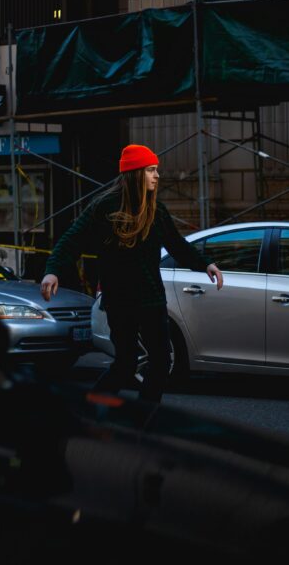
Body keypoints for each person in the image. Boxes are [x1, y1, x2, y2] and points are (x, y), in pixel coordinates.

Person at [40, 144, 223, 403]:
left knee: (160, 362)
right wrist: (53, 271)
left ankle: (142, 420)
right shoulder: (105, 207)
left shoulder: (156, 210)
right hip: (120, 301)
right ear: (135, 173)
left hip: (151, 299)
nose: (157, 176)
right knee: (126, 363)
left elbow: (177, 245)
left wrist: (205, 264)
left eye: (156, 170)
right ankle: (91, 409)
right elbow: (72, 239)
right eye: (150, 170)